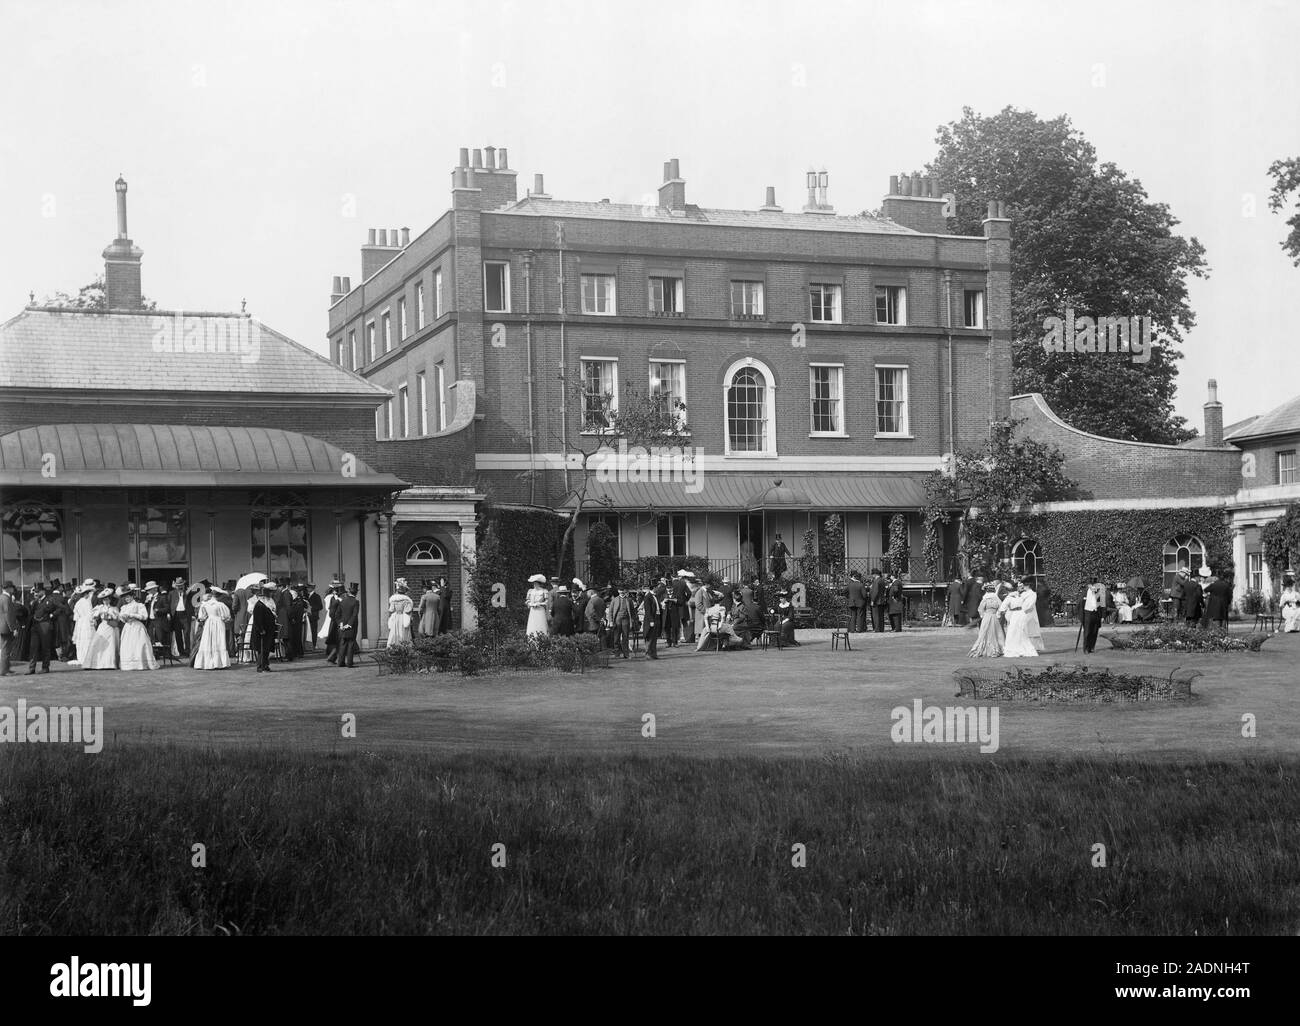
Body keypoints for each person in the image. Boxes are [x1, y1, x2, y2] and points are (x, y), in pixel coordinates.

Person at [117, 585, 158, 671]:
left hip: (137, 627)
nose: (127, 599)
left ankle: (141, 663)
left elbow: (144, 616)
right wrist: (124, 617)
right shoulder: (124, 607)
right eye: (125, 597)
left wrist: (132, 615)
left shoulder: (139, 605)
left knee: (139, 644)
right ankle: (129, 665)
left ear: (132, 596)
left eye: (128, 597)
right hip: (128, 627)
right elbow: (121, 618)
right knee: (128, 645)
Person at [83, 587, 121, 670]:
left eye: (107, 599)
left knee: (110, 644)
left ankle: (109, 663)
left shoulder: (114, 608)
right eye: (104, 600)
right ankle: (96, 663)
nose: (106, 601)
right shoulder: (99, 608)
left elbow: (118, 618)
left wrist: (112, 615)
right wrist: (98, 615)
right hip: (103, 626)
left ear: (110, 600)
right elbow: (93, 616)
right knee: (98, 643)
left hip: (111, 626)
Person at [194, 588, 232, 670]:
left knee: (208, 641)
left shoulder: (205, 604)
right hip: (218, 622)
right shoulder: (220, 605)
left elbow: (201, 617)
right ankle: (219, 662)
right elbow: (226, 617)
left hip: (209, 623)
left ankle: (207, 662)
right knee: (218, 641)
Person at [1000, 581, 1039, 658]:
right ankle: (1015, 649)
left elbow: (1027, 606)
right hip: (1015, 614)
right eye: (1020, 587)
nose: (1022, 588)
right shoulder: (1013, 596)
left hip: (1021, 613)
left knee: (1020, 631)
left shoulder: (1025, 595)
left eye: (1022, 586)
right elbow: (1004, 606)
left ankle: (1021, 649)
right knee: (1013, 631)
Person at [25, 581, 57, 674]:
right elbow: (29, 611)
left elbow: (59, 608)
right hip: (35, 626)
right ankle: (31, 668)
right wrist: (32, 599)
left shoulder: (49, 600)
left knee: (45, 647)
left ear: (43, 591)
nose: (36, 593)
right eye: (35, 591)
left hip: (45, 625)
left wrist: (52, 615)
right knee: (33, 647)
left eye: (38, 591)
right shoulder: (34, 602)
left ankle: (45, 667)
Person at [967, 582, 1005, 657]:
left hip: (987, 616)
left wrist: (983, 615)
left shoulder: (985, 599)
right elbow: (1001, 607)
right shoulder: (996, 599)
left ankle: (988, 648)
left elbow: (980, 609)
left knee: (985, 632)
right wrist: (998, 614)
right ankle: (997, 649)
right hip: (994, 617)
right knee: (995, 632)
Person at [249, 583, 278, 672]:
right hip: (262, 630)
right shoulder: (259, 605)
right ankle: (260, 665)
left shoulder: (270, 602)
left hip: (269, 629)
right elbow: (257, 619)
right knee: (262, 649)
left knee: (267, 648)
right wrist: (261, 629)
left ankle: (265, 664)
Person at [70, 580, 96, 666]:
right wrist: (92, 620)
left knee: (82, 640)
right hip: (86, 622)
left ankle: (82, 656)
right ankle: (86, 657)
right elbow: (89, 614)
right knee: (87, 639)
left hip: (80, 622)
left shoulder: (78, 602)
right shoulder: (86, 602)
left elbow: (75, 616)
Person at [336, 585, 360, 667]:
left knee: (343, 643)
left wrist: (341, 624)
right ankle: (349, 663)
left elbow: (337, 614)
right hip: (351, 626)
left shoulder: (342, 601)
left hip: (343, 625)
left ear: (349, 592)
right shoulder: (356, 602)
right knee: (351, 644)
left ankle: (340, 662)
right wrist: (349, 625)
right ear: (356, 592)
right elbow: (354, 615)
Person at [1081, 577, 1106, 654]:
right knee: (1087, 632)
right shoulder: (1085, 592)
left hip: (1096, 613)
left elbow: (1103, 604)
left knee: (1094, 632)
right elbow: (1080, 604)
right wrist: (1082, 616)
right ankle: (1085, 648)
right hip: (1088, 613)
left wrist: (1103, 616)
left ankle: (1091, 648)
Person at [386, 579, 414, 647]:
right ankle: (404, 646)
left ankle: (394, 645)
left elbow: (391, 610)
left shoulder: (393, 600)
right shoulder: (406, 600)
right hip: (403, 617)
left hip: (396, 617)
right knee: (403, 631)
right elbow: (408, 610)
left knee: (394, 632)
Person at [607, 585, 632, 658]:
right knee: (616, 638)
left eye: (623, 590)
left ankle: (626, 654)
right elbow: (610, 612)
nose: (621, 592)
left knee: (625, 637)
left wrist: (632, 621)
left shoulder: (629, 600)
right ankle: (617, 654)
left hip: (626, 620)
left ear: (625, 591)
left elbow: (633, 612)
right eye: (620, 590)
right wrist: (611, 621)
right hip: (617, 620)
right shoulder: (614, 600)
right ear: (618, 591)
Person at [525, 574, 551, 640]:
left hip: (540, 610)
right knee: (532, 625)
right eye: (534, 583)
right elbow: (527, 601)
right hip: (533, 611)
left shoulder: (544, 591)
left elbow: (547, 602)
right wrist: (530, 604)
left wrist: (540, 603)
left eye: (535, 583)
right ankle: (531, 640)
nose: (534, 584)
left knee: (541, 625)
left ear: (538, 583)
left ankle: (542, 640)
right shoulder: (530, 591)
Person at [673, 571, 695, 644]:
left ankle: (676, 637)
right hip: (682, 604)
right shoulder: (683, 583)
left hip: (673, 604)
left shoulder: (671, 583)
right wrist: (685, 599)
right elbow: (689, 593)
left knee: (675, 621)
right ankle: (685, 636)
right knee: (684, 621)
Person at [0, 581, 17, 677]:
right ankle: (3, 670)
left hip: (2, 627)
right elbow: (8, 615)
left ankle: (7, 668)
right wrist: (13, 628)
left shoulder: (1, 597)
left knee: (6, 648)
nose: (13, 589)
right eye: (11, 587)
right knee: (6, 649)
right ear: (8, 588)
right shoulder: (6, 599)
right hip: (6, 627)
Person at [640, 585, 662, 659]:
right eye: (657, 587)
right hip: (650, 620)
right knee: (649, 637)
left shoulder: (655, 596)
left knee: (654, 637)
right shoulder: (648, 597)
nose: (658, 589)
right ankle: (648, 654)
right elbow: (648, 610)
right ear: (654, 588)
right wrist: (651, 620)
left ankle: (653, 653)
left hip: (657, 618)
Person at [869, 569, 888, 633]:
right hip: (881, 600)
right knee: (881, 615)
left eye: (872, 574)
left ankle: (877, 629)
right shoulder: (882, 580)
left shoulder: (877, 581)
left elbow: (875, 591)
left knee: (876, 616)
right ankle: (881, 628)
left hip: (877, 601)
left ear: (875, 574)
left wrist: (873, 600)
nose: (872, 576)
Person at [305, 582, 322, 649]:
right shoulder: (306, 596)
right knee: (307, 632)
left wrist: (311, 608)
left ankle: (314, 645)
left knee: (313, 631)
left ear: (312, 588)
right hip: (307, 616)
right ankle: (308, 646)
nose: (307, 589)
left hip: (313, 616)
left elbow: (320, 606)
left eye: (309, 587)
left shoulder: (317, 596)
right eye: (307, 587)